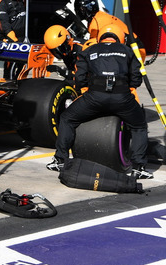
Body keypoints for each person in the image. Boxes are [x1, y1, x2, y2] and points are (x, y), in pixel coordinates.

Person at [47, 24, 152, 179]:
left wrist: (85, 90)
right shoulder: (128, 51)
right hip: (122, 97)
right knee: (139, 125)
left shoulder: (89, 50)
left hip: (95, 96)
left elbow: (80, 78)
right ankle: (139, 168)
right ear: (120, 38)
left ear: (100, 38)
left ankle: (60, 160)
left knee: (67, 118)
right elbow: (136, 79)